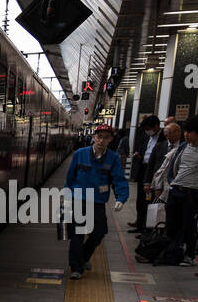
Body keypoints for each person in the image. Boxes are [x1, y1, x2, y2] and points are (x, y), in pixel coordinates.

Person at [64, 124, 128, 279]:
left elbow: (119, 179)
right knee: (77, 234)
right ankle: (76, 268)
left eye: (106, 137)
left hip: (98, 202)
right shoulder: (80, 154)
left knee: (99, 233)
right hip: (79, 199)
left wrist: (121, 197)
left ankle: (84, 257)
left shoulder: (113, 158)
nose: (101, 140)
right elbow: (70, 177)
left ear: (111, 140)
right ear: (94, 137)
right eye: (99, 136)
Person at [161, 113, 198, 265]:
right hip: (176, 189)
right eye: (185, 131)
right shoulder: (183, 146)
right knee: (171, 223)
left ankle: (189, 255)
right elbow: (174, 165)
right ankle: (171, 251)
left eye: (190, 132)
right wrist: (171, 181)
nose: (186, 135)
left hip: (193, 192)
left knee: (189, 225)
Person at [128, 114, 164, 235]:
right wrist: (139, 155)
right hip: (143, 169)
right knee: (141, 199)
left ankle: (147, 228)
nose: (147, 131)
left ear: (157, 126)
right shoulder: (146, 136)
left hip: (154, 172)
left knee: (150, 201)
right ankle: (139, 223)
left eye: (149, 128)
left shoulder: (164, 137)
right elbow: (144, 150)